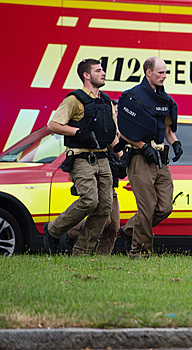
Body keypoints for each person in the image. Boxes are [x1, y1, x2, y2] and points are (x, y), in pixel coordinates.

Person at [43, 58, 120, 255]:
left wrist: (121, 155)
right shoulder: (74, 99)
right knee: (89, 200)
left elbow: (110, 136)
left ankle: (82, 252)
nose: (103, 73)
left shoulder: (105, 101)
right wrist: (77, 132)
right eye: (98, 70)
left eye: (103, 70)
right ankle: (53, 230)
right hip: (81, 158)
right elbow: (53, 125)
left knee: (104, 209)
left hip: (103, 159)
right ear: (86, 75)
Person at [117, 56, 183, 259]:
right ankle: (140, 253)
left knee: (165, 207)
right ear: (148, 73)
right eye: (160, 72)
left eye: (165, 72)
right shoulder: (132, 96)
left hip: (160, 160)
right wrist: (142, 146)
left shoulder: (164, 99)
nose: (164, 76)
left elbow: (166, 129)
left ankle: (129, 230)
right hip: (139, 159)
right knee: (147, 208)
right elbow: (124, 130)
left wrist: (175, 142)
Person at [59, 101, 125, 254]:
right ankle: (70, 234)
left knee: (114, 226)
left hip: (110, 184)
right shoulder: (98, 132)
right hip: (95, 180)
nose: (115, 116)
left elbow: (120, 155)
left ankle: (100, 259)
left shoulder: (119, 136)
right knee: (104, 219)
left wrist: (122, 163)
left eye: (116, 113)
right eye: (113, 112)